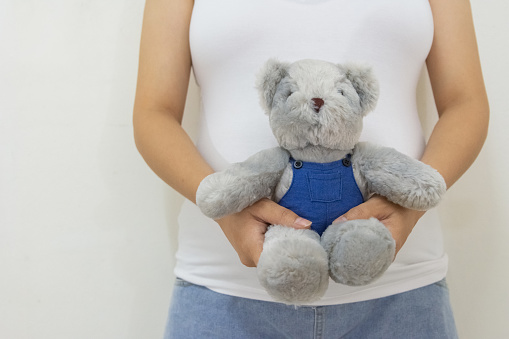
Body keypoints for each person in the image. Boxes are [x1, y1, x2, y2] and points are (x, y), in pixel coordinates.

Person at [133, 0, 489, 338]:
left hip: (402, 295)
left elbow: (465, 103)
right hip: (222, 295)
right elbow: (154, 113)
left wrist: (409, 206)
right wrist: (228, 211)